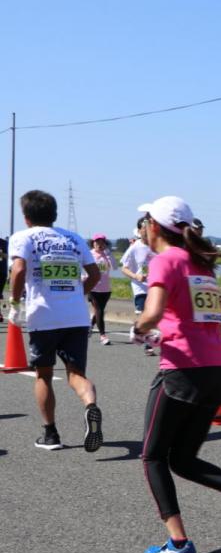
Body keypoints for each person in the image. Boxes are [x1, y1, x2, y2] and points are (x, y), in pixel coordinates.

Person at [130, 196, 221, 553]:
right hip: (216, 371)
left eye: (144, 221)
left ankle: (178, 544)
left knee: (151, 456)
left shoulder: (165, 260)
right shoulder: (200, 265)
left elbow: (155, 311)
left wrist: (140, 327)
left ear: (154, 226)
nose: (142, 227)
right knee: (182, 458)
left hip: (182, 370)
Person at [6, 189, 104, 451]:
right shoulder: (73, 238)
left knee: (44, 375)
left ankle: (51, 435)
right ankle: (90, 405)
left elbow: (18, 270)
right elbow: (94, 274)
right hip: (76, 316)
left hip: (44, 315)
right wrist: (76, 294)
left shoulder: (23, 237)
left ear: (26, 216)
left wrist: (15, 303)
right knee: (75, 374)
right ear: (54, 214)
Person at [121, 213, 158, 355]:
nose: (147, 230)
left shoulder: (156, 245)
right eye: (144, 227)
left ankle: (142, 332)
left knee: (155, 316)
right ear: (139, 230)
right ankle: (148, 345)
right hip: (140, 287)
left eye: (149, 227)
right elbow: (124, 267)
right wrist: (136, 276)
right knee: (144, 314)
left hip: (155, 287)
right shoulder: (135, 247)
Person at [88, 234, 117, 345]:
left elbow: (114, 267)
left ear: (105, 244)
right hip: (93, 287)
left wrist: (108, 254)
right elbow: (82, 268)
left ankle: (90, 325)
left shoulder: (107, 255)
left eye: (102, 242)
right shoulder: (90, 254)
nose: (99, 245)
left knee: (98, 311)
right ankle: (103, 335)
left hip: (105, 289)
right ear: (93, 243)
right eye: (97, 242)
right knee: (99, 310)